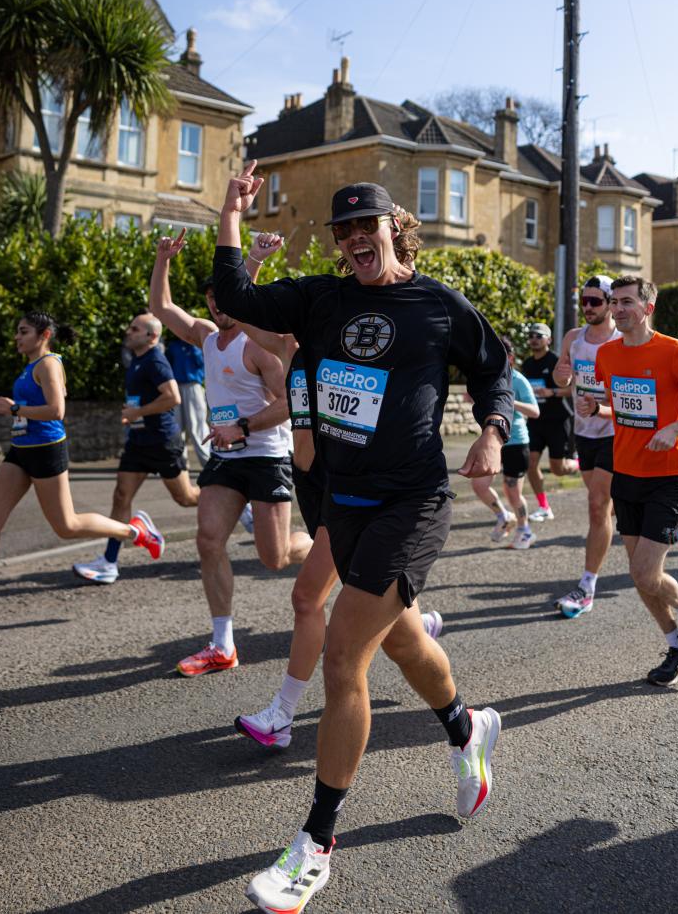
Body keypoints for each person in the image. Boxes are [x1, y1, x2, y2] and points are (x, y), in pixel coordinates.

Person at [213, 163, 513, 912]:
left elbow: (495, 368)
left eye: (364, 226)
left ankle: (314, 845)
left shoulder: (438, 305)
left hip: (411, 502)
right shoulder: (322, 298)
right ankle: (465, 723)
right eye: (342, 230)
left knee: (345, 653)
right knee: (404, 639)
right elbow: (236, 298)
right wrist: (230, 219)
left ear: (393, 227)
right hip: (342, 501)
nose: (353, 239)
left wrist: (494, 433)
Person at [234, 229, 445, 752]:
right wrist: (252, 261)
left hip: (347, 487)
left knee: (308, 598)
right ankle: (412, 615)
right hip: (313, 487)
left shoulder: (361, 348)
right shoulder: (291, 344)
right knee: (390, 625)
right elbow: (243, 313)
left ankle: (282, 714)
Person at [0, 311, 164, 631]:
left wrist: (14, 408)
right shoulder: (32, 367)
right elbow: (50, 401)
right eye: (17, 332)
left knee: (67, 526)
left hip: (46, 451)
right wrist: (17, 408)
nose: (17, 337)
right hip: (20, 451)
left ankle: (135, 531)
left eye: (23, 331)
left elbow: (58, 410)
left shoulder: (49, 363)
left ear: (44, 335)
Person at [148, 233, 312, 677]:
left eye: (225, 298)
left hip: (265, 456)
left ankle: (322, 548)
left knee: (273, 558)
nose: (218, 306)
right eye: (212, 299)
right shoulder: (204, 335)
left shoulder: (260, 345)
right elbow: (162, 309)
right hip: (226, 458)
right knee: (208, 540)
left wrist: (241, 426)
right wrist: (163, 260)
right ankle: (222, 643)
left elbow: (290, 403)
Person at [586, 276, 678, 686]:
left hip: (669, 475)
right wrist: (597, 407)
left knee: (646, 574)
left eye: (627, 302)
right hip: (627, 473)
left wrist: (676, 428)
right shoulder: (608, 355)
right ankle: (676, 646)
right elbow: (626, 411)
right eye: (613, 302)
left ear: (648, 308)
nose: (617, 309)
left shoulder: (675, 352)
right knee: (640, 576)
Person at [72, 313, 198, 585]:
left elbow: (173, 397)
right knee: (121, 496)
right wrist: (133, 413)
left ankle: (237, 501)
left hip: (163, 441)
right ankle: (109, 561)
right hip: (139, 441)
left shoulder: (156, 361)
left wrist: (138, 411)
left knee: (186, 498)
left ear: (152, 336)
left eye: (135, 329)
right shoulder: (137, 361)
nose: (128, 332)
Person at [552, 276, 619, 618]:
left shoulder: (621, 340)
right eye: (585, 302)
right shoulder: (574, 338)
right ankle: (633, 506)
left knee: (596, 505)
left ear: (610, 302)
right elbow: (561, 378)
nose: (589, 308)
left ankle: (587, 586)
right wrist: (562, 375)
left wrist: (603, 407)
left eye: (596, 301)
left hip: (615, 431)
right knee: (604, 506)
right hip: (584, 432)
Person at [476, 336, 541, 549]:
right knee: (479, 485)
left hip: (516, 442)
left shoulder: (518, 380)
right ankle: (504, 516)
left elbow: (535, 411)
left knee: (512, 491)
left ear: (510, 358)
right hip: (493, 442)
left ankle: (525, 531)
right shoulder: (487, 379)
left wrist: (510, 401)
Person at [521, 323, 578, 520]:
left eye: (539, 335)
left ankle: (578, 463)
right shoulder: (527, 364)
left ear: (548, 340)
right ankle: (544, 506)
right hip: (536, 421)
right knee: (531, 463)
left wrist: (551, 392)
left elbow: (573, 389)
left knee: (558, 470)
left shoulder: (556, 361)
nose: (534, 338)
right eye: (531, 335)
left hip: (558, 420)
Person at [167, 334, 211, 466]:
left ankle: (208, 461)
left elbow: (203, 363)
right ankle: (181, 462)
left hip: (193, 386)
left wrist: (193, 345)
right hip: (176, 386)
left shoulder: (197, 346)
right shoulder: (173, 347)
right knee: (176, 426)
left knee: (197, 426)